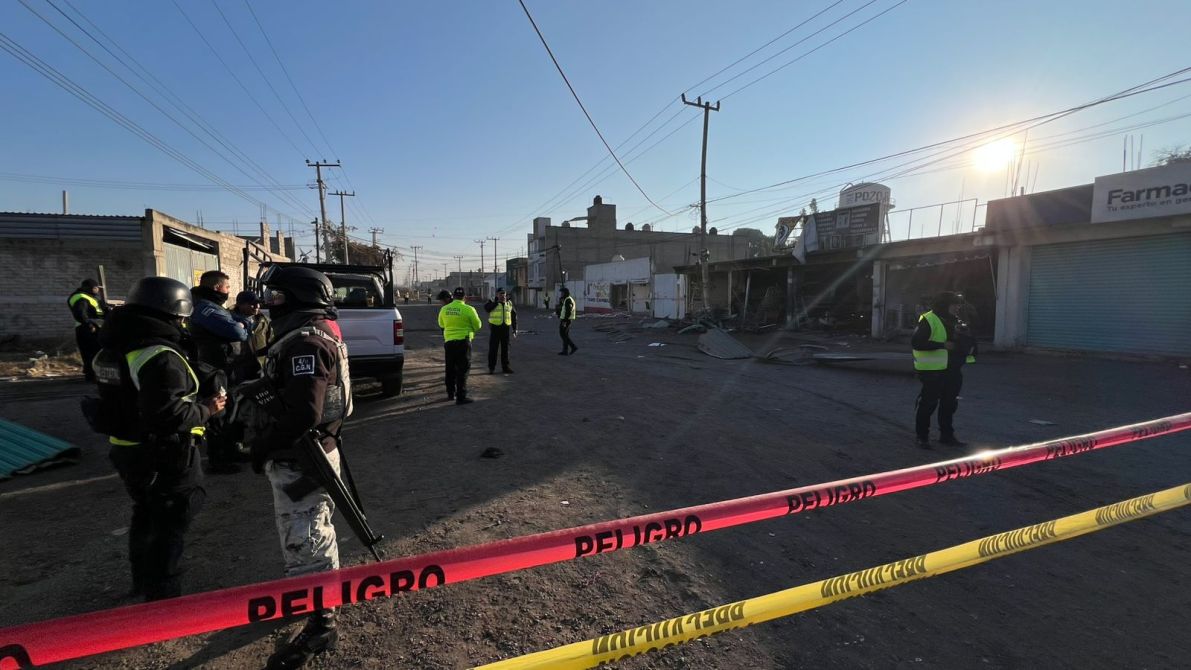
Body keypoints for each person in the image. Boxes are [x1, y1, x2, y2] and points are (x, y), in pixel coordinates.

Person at [96, 276, 225, 600]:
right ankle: (163, 599)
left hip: (127, 447)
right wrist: (208, 409)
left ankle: (142, 583)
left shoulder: (115, 346)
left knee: (146, 515)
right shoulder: (159, 355)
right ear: (172, 313)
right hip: (165, 452)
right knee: (172, 520)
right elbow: (168, 414)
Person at [255, 266, 353, 669]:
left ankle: (322, 620)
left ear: (299, 297)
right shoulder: (307, 332)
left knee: (307, 535)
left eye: (278, 296)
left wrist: (261, 446)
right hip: (305, 452)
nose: (271, 302)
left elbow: (303, 413)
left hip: (303, 454)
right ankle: (308, 595)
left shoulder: (306, 342)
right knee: (307, 529)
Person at [190, 271, 248, 473]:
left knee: (229, 410)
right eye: (227, 287)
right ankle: (218, 459)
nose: (228, 291)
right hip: (212, 368)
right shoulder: (206, 308)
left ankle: (230, 450)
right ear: (216, 287)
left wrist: (239, 323)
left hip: (224, 367)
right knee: (218, 412)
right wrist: (239, 325)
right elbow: (237, 332)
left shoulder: (213, 306)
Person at [912, 291, 977, 448]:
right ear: (944, 305)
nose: (958, 307)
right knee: (928, 404)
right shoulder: (929, 319)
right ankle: (922, 437)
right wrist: (942, 345)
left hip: (952, 370)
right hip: (933, 371)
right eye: (954, 304)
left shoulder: (956, 321)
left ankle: (947, 436)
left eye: (959, 304)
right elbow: (917, 343)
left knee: (949, 404)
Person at [437, 287, 482, 405]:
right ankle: (461, 396)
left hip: (449, 342)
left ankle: (450, 393)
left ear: (454, 297)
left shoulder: (444, 309)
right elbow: (478, 325)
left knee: (450, 368)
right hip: (463, 342)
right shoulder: (469, 309)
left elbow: (441, 324)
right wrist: (469, 329)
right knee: (463, 369)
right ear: (464, 297)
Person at [67, 278, 105, 381]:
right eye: (96, 288)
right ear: (89, 287)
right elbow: (80, 314)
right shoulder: (80, 297)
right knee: (91, 353)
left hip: (94, 328)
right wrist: (89, 325)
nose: (97, 290)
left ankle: (94, 374)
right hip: (87, 329)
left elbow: (101, 312)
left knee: (96, 352)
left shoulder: (91, 297)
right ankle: (92, 375)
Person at [233, 290, 271, 371]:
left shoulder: (264, 321)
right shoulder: (229, 320)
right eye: (252, 304)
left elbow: (271, 343)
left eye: (258, 303)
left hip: (261, 368)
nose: (257, 306)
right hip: (239, 369)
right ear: (240, 305)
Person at [483, 288, 517, 374]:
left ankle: (505, 367)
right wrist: (496, 302)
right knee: (493, 350)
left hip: (505, 329)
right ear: (497, 294)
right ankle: (491, 368)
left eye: (504, 294)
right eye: (500, 294)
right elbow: (487, 309)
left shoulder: (509, 303)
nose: (502, 296)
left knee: (505, 350)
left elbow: (513, 316)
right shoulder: (492, 302)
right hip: (495, 329)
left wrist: (514, 328)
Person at [557, 287, 578, 356]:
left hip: (566, 320)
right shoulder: (566, 299)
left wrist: (564, 321)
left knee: (562, 334)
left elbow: (568, 312)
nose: (561, 294)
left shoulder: (568, 300)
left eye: (562, 292)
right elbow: (561, 308)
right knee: (565, 335)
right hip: (565, 319)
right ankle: (565, 351)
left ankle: (573, 347)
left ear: (565, 293)